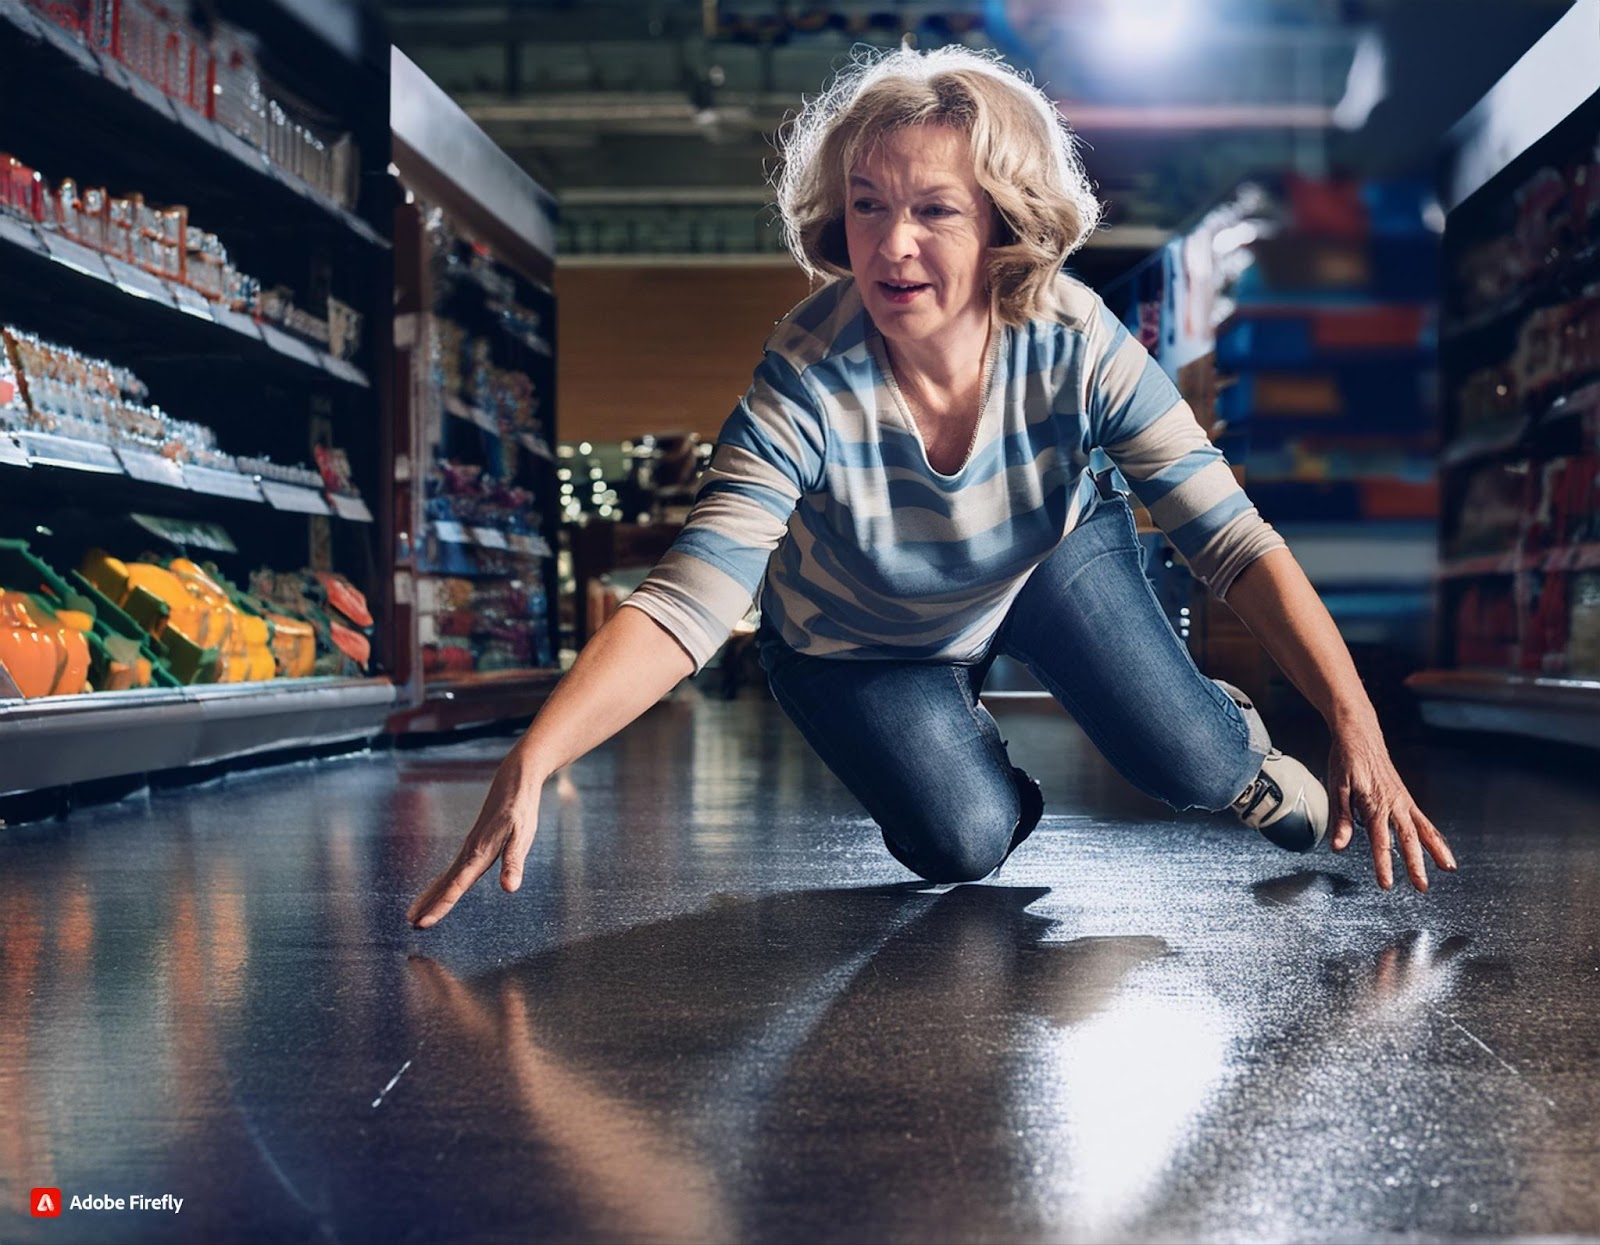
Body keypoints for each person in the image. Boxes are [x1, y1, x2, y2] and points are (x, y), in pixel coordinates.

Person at [408, 45, 1455, 929]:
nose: (890, 245)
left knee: (1184, 764)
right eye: (866, 207)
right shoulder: (807, 376)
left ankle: (1220, 740)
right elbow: (690, 599)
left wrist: (1353, 727)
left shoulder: (1077, 342)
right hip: (858, 641)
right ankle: (963, 754)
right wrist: (536, 755)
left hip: (1044, 560)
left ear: (1001, 221)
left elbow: (1233, 542)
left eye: (932, 210)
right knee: (961, 846)